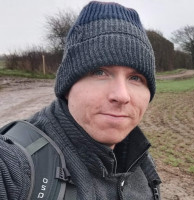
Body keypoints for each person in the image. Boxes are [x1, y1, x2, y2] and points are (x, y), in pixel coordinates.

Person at [0, 1, 161, 199]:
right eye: (100, 72)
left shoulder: (141, 162)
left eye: (135, 78)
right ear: (68, 87)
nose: (122, 95)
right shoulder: (15, 163)